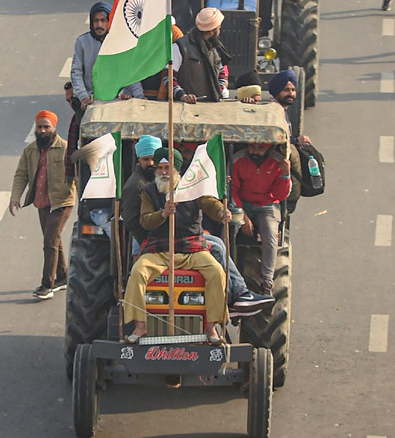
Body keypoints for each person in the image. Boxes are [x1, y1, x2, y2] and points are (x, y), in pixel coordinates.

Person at [125, 149, 229, 343]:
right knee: (137, 272)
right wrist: (163, 214)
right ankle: (140, 326)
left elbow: (209, 203)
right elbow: (145, 222)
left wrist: (221, 212)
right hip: (160, 250)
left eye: (168, 168)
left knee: (216, 271)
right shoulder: (148, 191)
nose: (164, 173)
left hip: (191, 249)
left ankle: (211, 327)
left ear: (176, 171)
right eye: (160, 168)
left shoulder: (193, 188)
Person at [10, 111, 77, 299]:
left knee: (49, 241)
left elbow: (76, 176)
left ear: (54, 128)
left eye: (46, 127)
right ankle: (63, 276)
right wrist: (15, 197)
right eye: (39, 127)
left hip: (61, 202)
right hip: (42, 202)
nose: (42, 130)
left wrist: (85, 202)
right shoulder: (31, 150)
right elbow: (21, 174)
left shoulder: (65, 148)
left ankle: (47, 285)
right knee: (54, 240)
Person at [230, 141, 292, 295]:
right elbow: (232, 191)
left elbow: (280, 195)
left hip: (267, 205)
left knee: (270, 234)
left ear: (268, 147)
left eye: (260, 148)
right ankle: (227, 275)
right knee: (229, 229)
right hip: (242, 204)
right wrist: (242, 216)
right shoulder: (238, 160)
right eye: (252, 146)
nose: (255, 151)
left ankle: (267, 282)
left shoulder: (278, 162)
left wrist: (285, 175)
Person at [71, 1, 145, 107]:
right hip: (91, 100)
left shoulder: (120, 42)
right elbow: (76, 72)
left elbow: (129, 72)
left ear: (110, 22)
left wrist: (139, 96)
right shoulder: (82, 42)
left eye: (103, 20)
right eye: (96, 21)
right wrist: (83, 97)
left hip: (116, 100)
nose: (99, 25)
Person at [173, 7, 229, 102]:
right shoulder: (180, 47)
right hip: (184, 109)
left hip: (211, 107)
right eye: (218, 28)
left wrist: (218, 91)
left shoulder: (214, 48)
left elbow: (222, 74)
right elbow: (168, 77)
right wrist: (183, 96)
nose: (219, 32)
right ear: (212, 31)